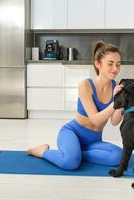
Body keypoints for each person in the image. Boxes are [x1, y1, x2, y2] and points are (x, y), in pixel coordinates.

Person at [27, 41, 124, 170]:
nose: (115, 69)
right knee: (70, 163)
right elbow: (95, 120)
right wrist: (115, 103)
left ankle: (76, 154)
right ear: (97, 63)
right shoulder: (85, 85)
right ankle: (41, 151)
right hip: (72, 133)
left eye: (118, 64)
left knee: (119, 156)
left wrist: (122, 103)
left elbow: (115, 121)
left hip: (94, 142)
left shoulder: (115, 87)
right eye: (110, 64)